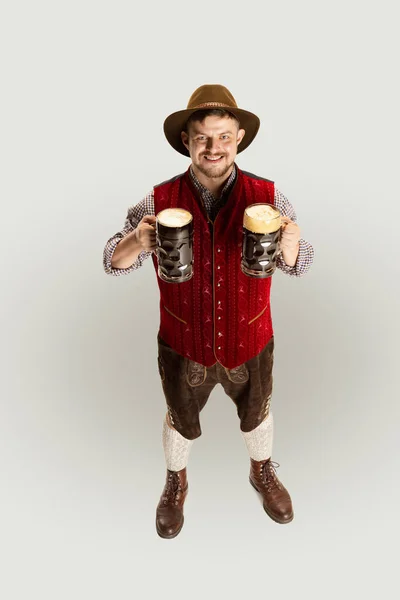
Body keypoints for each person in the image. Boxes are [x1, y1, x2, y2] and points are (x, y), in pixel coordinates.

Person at [103, 84, 314, 539]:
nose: (213, 147)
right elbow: (111, 263)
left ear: (238, 138)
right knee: (179, 418)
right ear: (187, 142)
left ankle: (262, 471)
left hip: (250, 337)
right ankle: (175, 482)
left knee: (257, 413)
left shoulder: (270, 198)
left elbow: (301, 264)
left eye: (223, 137)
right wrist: (137, 242)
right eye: (202, 137)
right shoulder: (157, 201)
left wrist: (294, 247)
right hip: (184, 341)